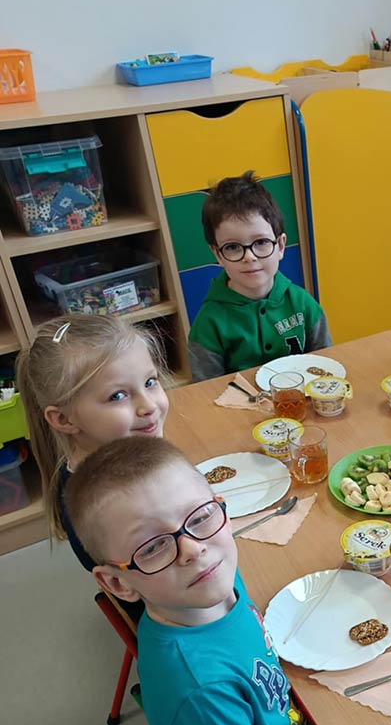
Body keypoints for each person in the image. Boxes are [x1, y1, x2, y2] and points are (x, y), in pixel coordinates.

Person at [65, 436, 380, 725]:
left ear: (222, 509)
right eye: (152, 547)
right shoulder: (200, 694)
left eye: (199, 517)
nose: (193, 548)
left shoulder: (211, 585)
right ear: (118, 583)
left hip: (310, 724)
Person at [16, 314, 169, 574]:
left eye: (150, 382)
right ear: (63, 419)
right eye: (117, 396)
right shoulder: (110, 505)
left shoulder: (122, 454)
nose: (149, 406)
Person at [188, 171, 332, 381]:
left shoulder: (303, 303)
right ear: (218, 254)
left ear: (280, 246)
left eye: (261, 242)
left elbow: (325, 366)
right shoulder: (208, 324)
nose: (249, 257)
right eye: (233, 247)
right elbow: (207, 390)